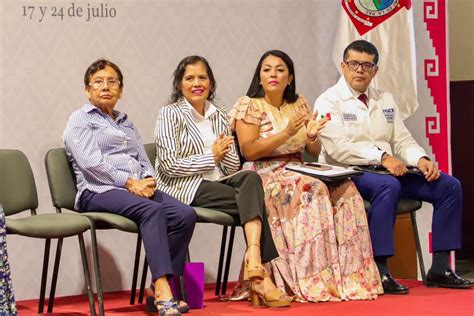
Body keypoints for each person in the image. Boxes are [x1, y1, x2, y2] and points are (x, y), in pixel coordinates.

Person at [314, 40, 472, 294]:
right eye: (354, 64)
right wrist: (382, 156)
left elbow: (402, 139)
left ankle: (441, 268)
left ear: (375, 70)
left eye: (367, 65)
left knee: (449, 186)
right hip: (349, 173)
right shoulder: (328, 101)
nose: (360, 70)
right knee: (388, 186)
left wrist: (420, 159)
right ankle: (381, 270)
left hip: (387, 171)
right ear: (343, 66)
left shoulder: (385, 99)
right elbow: (338, 148)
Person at [228, 50, 382, 302]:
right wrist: (287, 132)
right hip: (264, 172)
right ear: (260, 76)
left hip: (299, 168)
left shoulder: (298, 103)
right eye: (267, 69)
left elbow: (313, 150)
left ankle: (349, 278)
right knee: (314, 190)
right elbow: (249, 151)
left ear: (290, 77)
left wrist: (311, 137)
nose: (273, 74)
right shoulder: (250, 105)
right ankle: (311, 278)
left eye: (280, 70)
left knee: (348, 190)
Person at [154, 55, 291, 308]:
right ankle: (261, 276)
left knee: (250, 178)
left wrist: (226, 154)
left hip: (218, 182)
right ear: (179, 85)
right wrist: (211, 156)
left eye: (203, 78)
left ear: (211, 83)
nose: (197, 83)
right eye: (190, 78)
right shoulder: (170, 114)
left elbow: (231, 168)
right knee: (256, 205)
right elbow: (168, 166)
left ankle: (253, 256)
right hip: (184, 187)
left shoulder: (219, 115)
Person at [63, 59, 196, 316]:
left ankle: (156, 289)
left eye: (112, 82)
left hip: (135, 189)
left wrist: (148, 180)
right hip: (97, 191)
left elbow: (143, 160)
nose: (105, 87)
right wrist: (129, 182)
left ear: (120, 90)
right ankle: (163, 289)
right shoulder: (79, 120)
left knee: (185, 215)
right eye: (98, 82)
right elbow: (91, 163)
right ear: (87, 90)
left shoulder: (126, 122)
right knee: (152, 211)